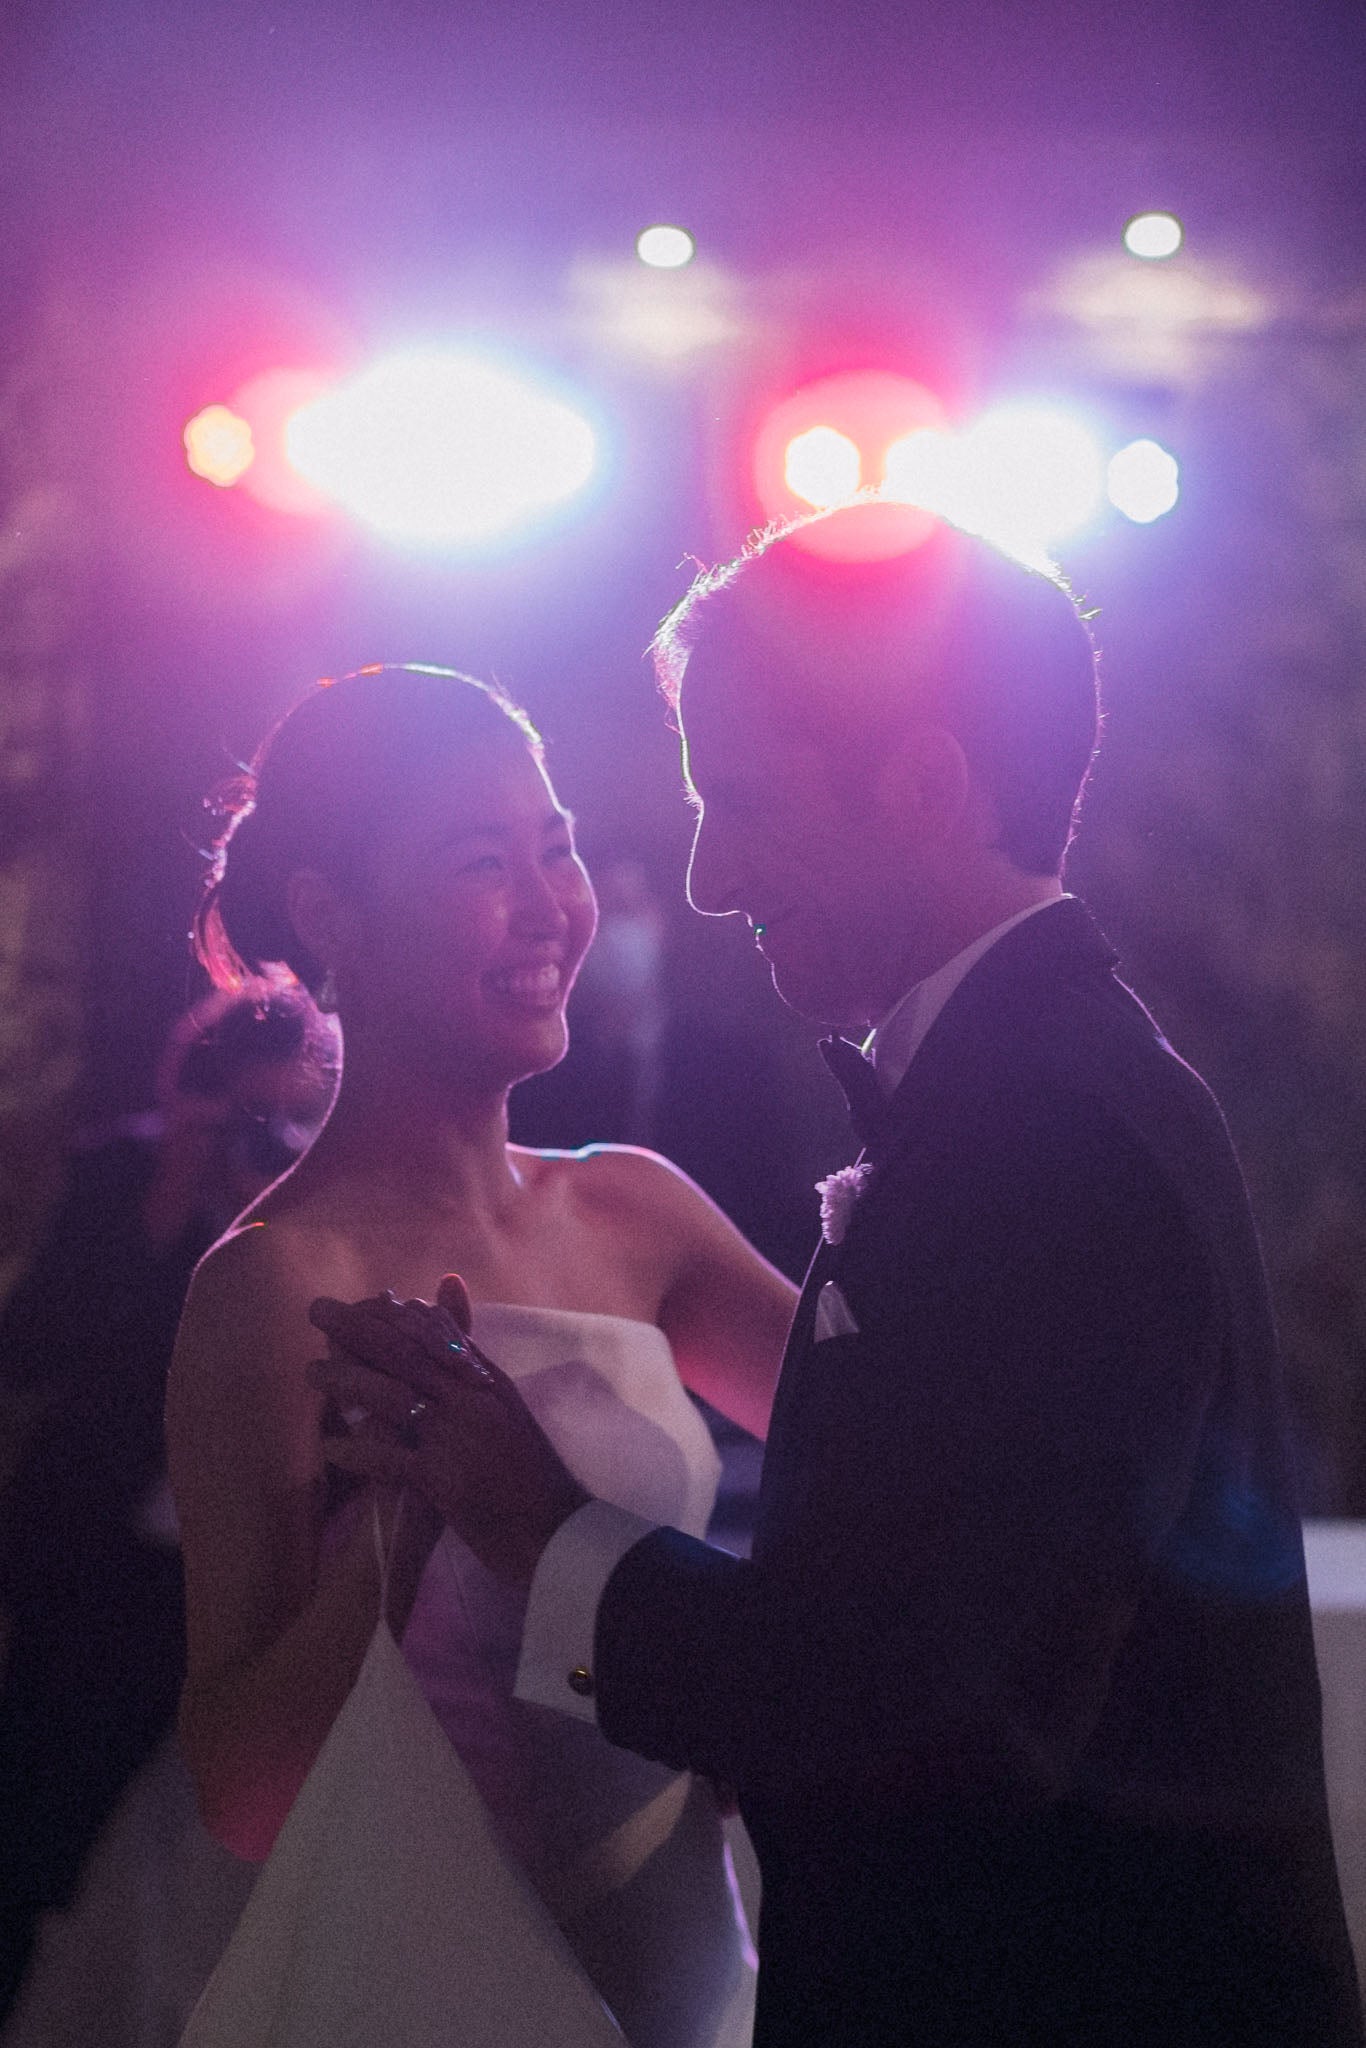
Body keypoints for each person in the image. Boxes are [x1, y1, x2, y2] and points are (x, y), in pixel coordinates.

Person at [312, 521, 1365, 2046]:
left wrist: (545, 1530)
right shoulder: (1021, 1088)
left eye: (736, 803)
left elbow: (931, 1709)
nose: (704, 876)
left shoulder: (1049, 1131)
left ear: (924, 786)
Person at [165, 664, 796, 2048]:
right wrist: (401, 1534)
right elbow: (246, 1799)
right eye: (480, 861)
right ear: (332, 914)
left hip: (682, 1972)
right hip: (423, 1989)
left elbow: (908, 1441)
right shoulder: (278, 1290)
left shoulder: (639, 1210)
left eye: (556, 848)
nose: (549, 905)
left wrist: (771, 1682)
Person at [0, 988, 334, 2024]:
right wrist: (168, 1202)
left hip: (256, 1572)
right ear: (191, 1095)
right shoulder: (118, 1174)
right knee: (35, 1825)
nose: (268, 1136)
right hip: (104, 1568)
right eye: (248, 1110)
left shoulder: (332, 1208)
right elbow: (34, 1344)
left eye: (293, 1114)